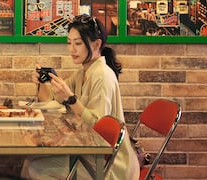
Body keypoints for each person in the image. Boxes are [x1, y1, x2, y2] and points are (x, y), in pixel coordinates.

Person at [21, 14, 140, 180]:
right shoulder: (82, 74)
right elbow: (51, 100)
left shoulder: (102, 76)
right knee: (31, 162)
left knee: (36, 169)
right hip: (88, 153)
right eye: (69, 43)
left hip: (108, 164)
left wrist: (71, 99)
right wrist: (42, 82)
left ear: (97, 44)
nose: (71, 49)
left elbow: (98, 130)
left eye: (78, 43)